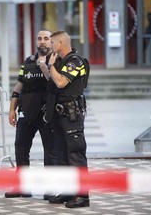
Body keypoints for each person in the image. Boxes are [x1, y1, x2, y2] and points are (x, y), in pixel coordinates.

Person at [5, 30, 57, 200]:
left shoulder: (56, 60)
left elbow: (56, 84)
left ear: (52, 42)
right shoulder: (28, 61)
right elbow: (18, 86)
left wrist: (44, 66)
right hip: (25, 113)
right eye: (39, 38)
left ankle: (50, 187)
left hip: (45, 114)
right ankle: (22, 186)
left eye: (46, 39)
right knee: (20, 148)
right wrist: (12, 109)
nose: (42, 42)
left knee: (49, 151)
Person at [45, 30, 90, 208]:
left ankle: (82, 196)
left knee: (76, 155)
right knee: (61, 155)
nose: (50, 46)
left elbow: (61, 82)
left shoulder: (76, 62)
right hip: (59, 115)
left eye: (53, 43)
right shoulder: (60, 62)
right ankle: (68, 191)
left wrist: (50, 66)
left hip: (72, 116)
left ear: (61, 44)